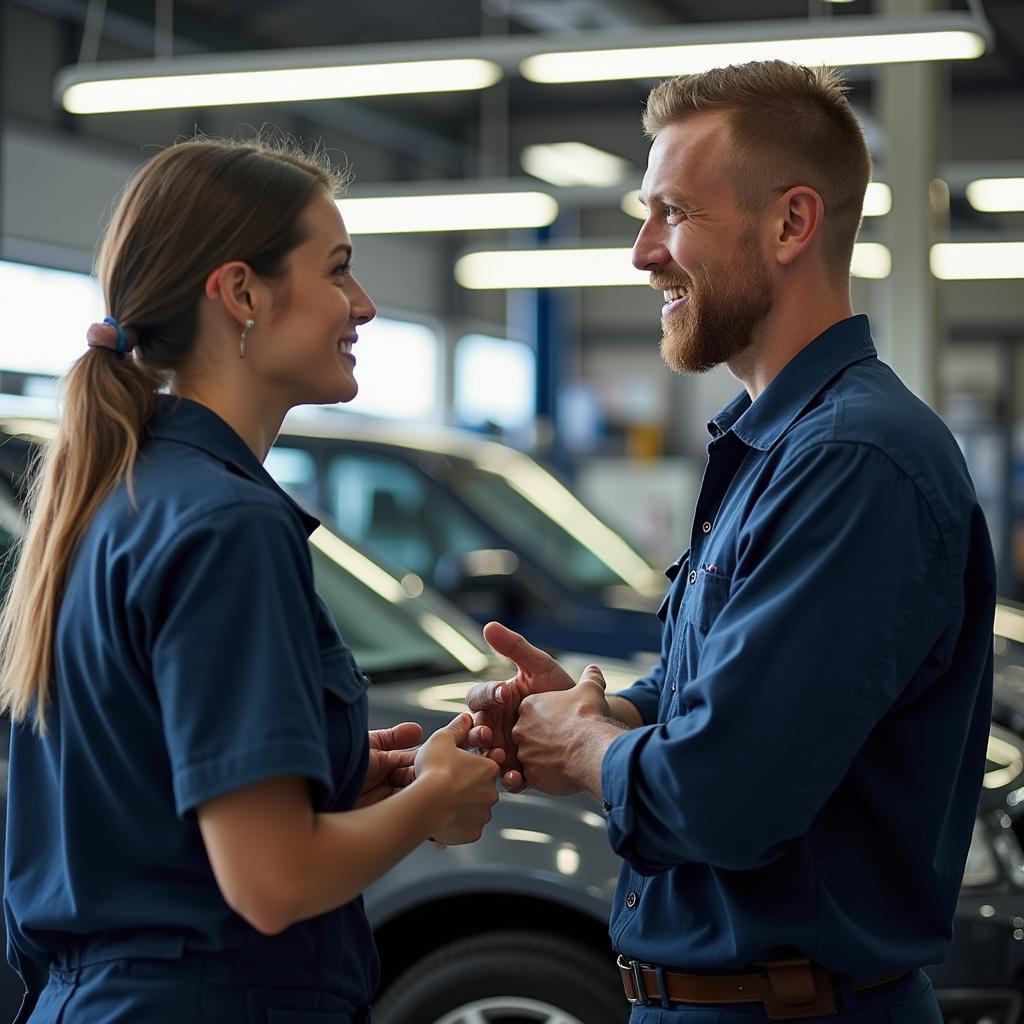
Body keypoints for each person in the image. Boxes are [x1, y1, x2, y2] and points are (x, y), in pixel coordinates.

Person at [469, 61, 996, 1023]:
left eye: (673, 213)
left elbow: (729, 800)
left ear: (792, 224)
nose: (642, 253)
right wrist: (609, 713)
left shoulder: (853, 461)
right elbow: (715, 694)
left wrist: (585, 749)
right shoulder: (776, 445)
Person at [0, 137, 501, 1024]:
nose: (366, 306)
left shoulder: (127, 493)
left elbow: (153, 810)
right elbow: (271, 883)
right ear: (240, 293)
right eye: (338, 271)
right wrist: (433, 801)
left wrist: (341, 778)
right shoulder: (228, 524)